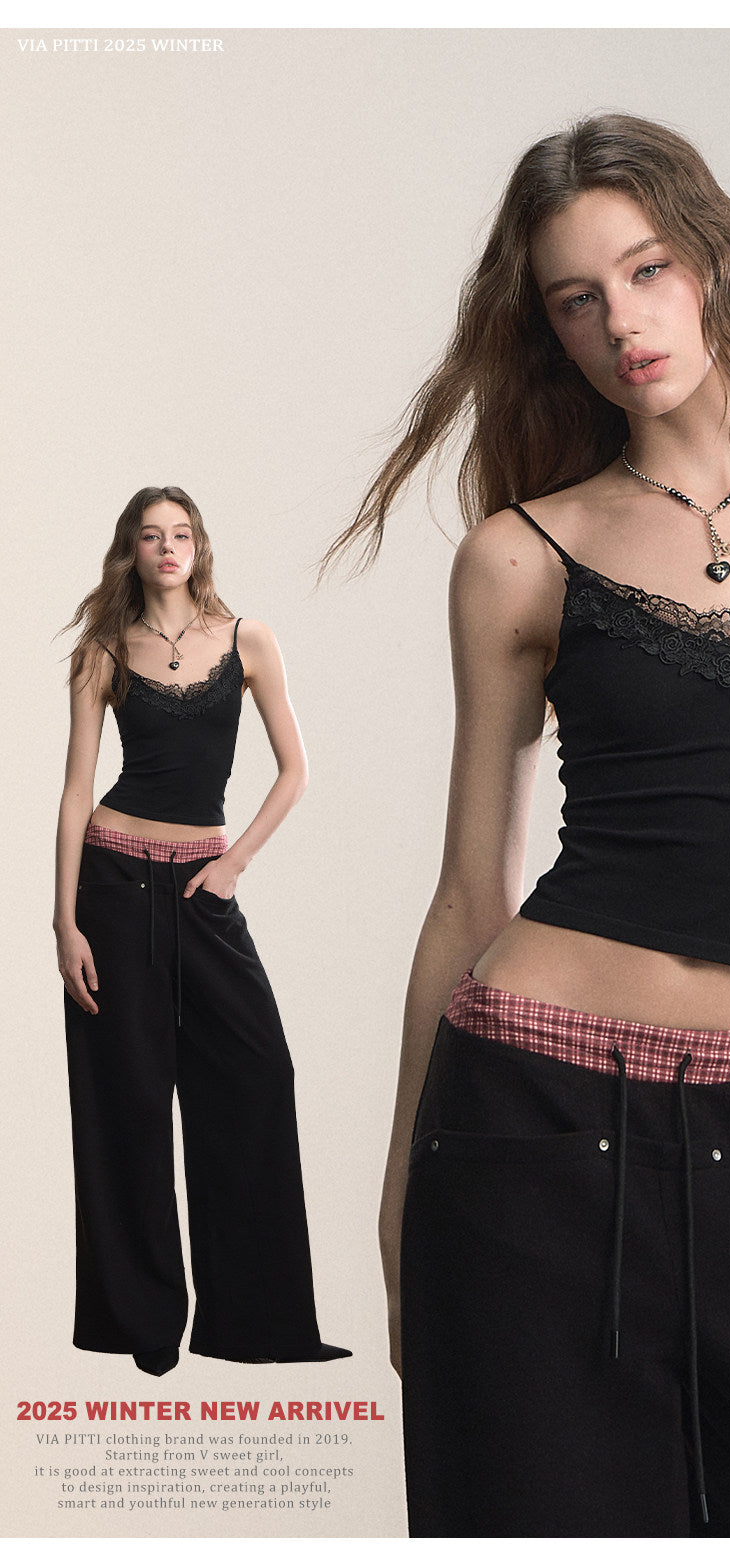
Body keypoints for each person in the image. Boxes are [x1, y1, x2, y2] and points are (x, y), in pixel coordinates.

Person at [328, 115, 730, 1536]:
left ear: (714, 258)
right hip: (530, 1122)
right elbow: (467, 898)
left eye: (646, 269)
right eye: (577, 299)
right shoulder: (521, 555)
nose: (622, 322)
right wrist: (396, 1207)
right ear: (548, 330)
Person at [56, 485, 350, 1377]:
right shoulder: (103, 650)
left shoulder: (247, 639)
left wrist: (234, 865)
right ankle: (143, 1323)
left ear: (200, 546)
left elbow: (296, 771)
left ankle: (257, 1323)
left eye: (180, 533)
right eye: (151, 535)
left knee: (258, 1075)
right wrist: (62, 920)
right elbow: (76, 789)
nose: (167, 547)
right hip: (113, 884)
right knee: (128, 1102)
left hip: (200, 890)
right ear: (131, 550)